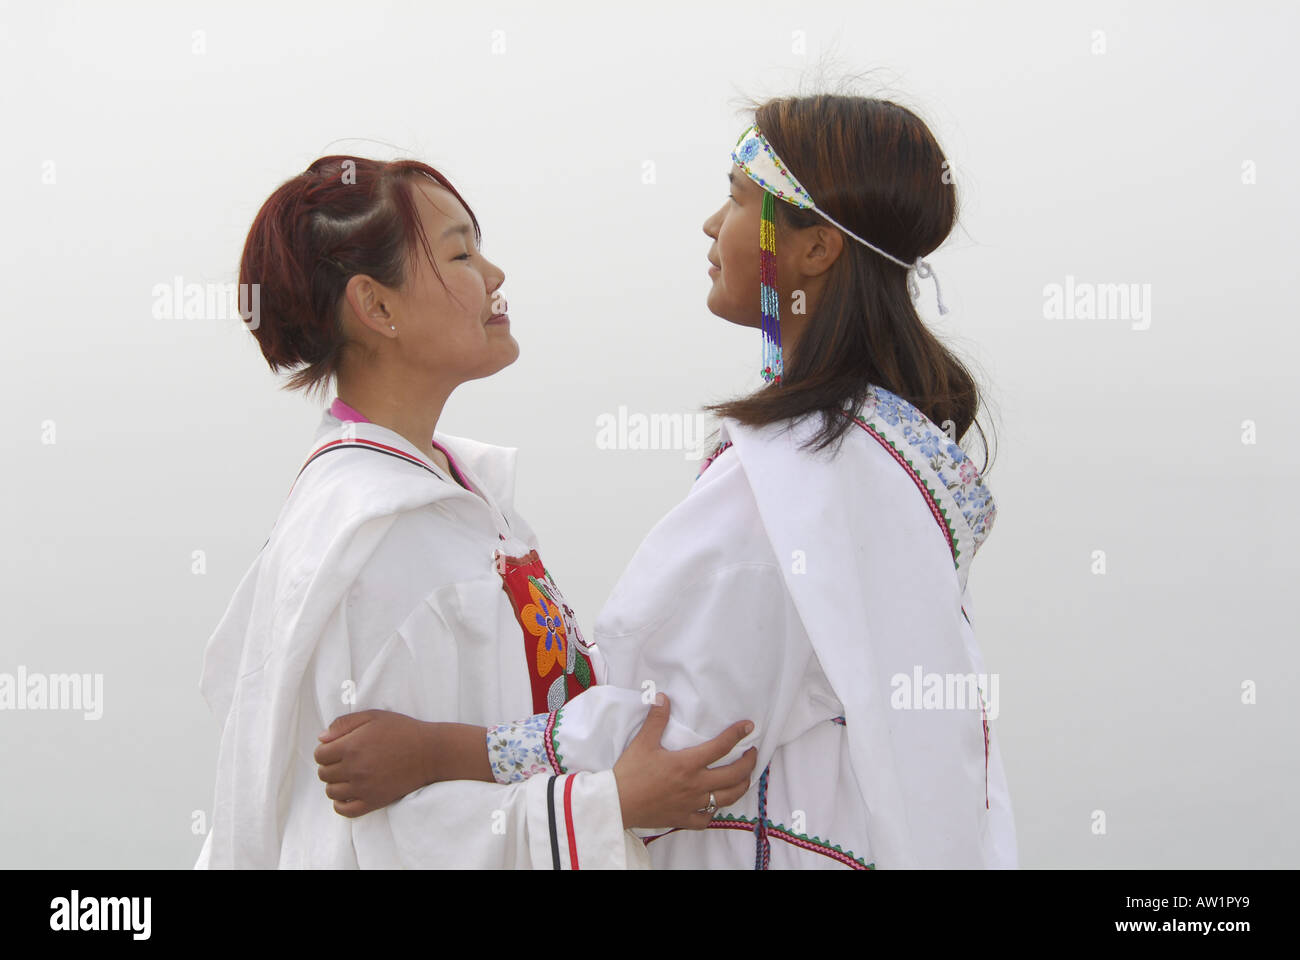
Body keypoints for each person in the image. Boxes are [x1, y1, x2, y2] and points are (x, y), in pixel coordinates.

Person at [314, 94, 1018, 869]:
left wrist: (436, 751)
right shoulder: (880, 453)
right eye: (458, 255)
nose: (713, 225)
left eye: (738, 197)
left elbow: (674, 737)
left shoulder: (802, 474)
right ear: (370, 305)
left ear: (816, 249)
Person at [193, 155, 756, 869]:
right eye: (460, 252)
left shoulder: (463, 497)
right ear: (378, 307)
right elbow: (369, 833)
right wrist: (607, 804)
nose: (494, 276)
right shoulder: (367, 536)